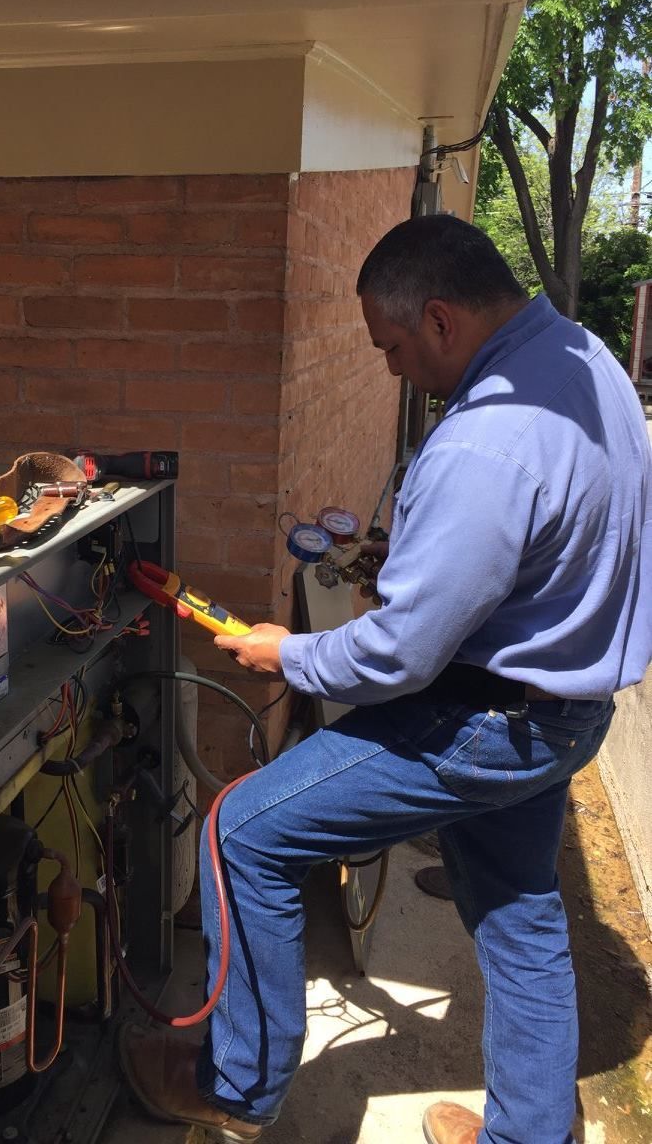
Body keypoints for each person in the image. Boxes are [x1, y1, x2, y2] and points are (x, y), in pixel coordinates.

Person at [118, 215, 652, 1144]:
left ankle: (235, 1091)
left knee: (240, 833)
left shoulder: (485, 443)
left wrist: (289, 655)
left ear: (440, 318)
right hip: (566, 709)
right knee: (520, 912)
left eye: (396, 348)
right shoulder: (585, 357)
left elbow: (397, 657)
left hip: (488, 720)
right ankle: (533, 1133)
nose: (396, 370)